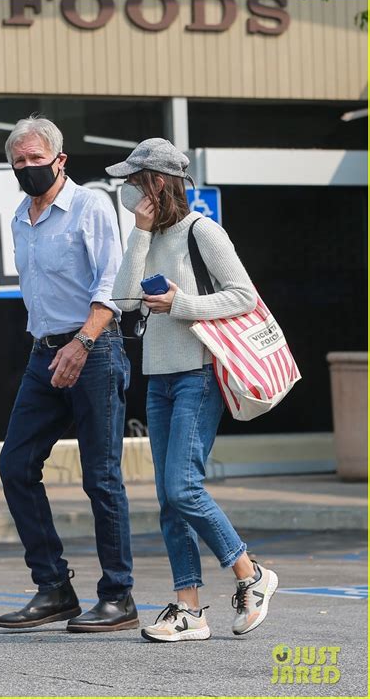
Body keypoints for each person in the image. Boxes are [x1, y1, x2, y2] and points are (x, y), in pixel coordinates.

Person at [108, 138, 278, 643]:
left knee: (183, 486)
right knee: (167, 498)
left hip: (199, 375)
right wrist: (139, 232)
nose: (129, 190)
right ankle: (189, 609)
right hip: (159, 377)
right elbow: (123, 296)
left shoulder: (204, 231)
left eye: (136, 181)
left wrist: (181, 305)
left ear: (158, 182)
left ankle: (250, 574)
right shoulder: (147, 233)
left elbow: (243, 295)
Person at [0, 115, 138, 633]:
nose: (28, 168)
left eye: (37, 158)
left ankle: (118, 596)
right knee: (14, 466)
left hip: (94, 350)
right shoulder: (19, 217)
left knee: (100, 478)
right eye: (20, 161)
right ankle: (53, 587)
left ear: (60, 160)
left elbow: (113, 284)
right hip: (44, 355)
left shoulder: (90, 205)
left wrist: (83, 341)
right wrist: (56, 345)